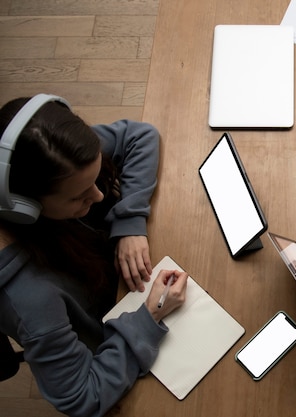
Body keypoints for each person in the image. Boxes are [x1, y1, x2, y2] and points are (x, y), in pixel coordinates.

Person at [0, 94, 189, 417]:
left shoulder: (54, 158)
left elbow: (139, 136)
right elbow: (82, 398)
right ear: (25, 206)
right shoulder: (30, 299)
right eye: (80, 197)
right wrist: (149, 317)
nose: (100, 195)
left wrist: (130, 223)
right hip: (115, 332)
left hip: (112, 280)